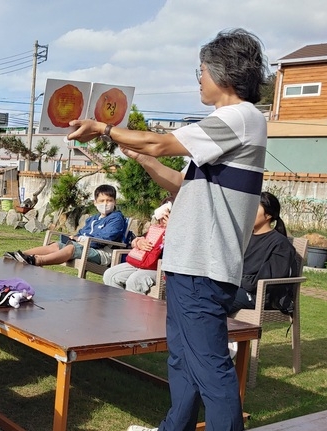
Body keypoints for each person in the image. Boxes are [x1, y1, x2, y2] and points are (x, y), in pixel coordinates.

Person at [68, 28, 269, 431]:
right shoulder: (226, 126)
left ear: (224, 73)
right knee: (183, 361)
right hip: (187, 265)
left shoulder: (241, 117)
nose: (198, 78)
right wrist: (139, 156)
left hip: (203, 267)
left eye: (201, 70)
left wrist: (104, 129)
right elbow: (181, 184)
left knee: (211, 370)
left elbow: (160, 143)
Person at [8, 184, 127, 267]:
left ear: (114, 202)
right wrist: (74, 237)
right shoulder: (94, 219)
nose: (105, 204)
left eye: (109, 200)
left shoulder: (116, 218)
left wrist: (80, 239)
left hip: (102, 254)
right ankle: (21, 254)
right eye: (102, 201)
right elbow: (82, 233)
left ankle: (37, 260)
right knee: (57, 245)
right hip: (86, 247)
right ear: (95, 203)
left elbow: (106, 238)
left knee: (71, 248)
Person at [229, 191, 297, 314]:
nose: (248, 212)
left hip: (258, 297)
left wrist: (238, 280)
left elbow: (268, 279)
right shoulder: (245, 237)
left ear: (268, 215)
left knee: (213, 302)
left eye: (255, 208)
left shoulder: (280, 244)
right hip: (236, 287)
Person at [103, 199, 171, 295]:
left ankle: (133, 309)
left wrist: (172, 229)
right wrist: (138, 242)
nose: (163, 217)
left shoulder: (185, 230)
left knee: (135, 281)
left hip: (164, 270)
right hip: (144, 263)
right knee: (110, 275)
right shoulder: (157, 228)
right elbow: (137, 240)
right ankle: (117, 306)